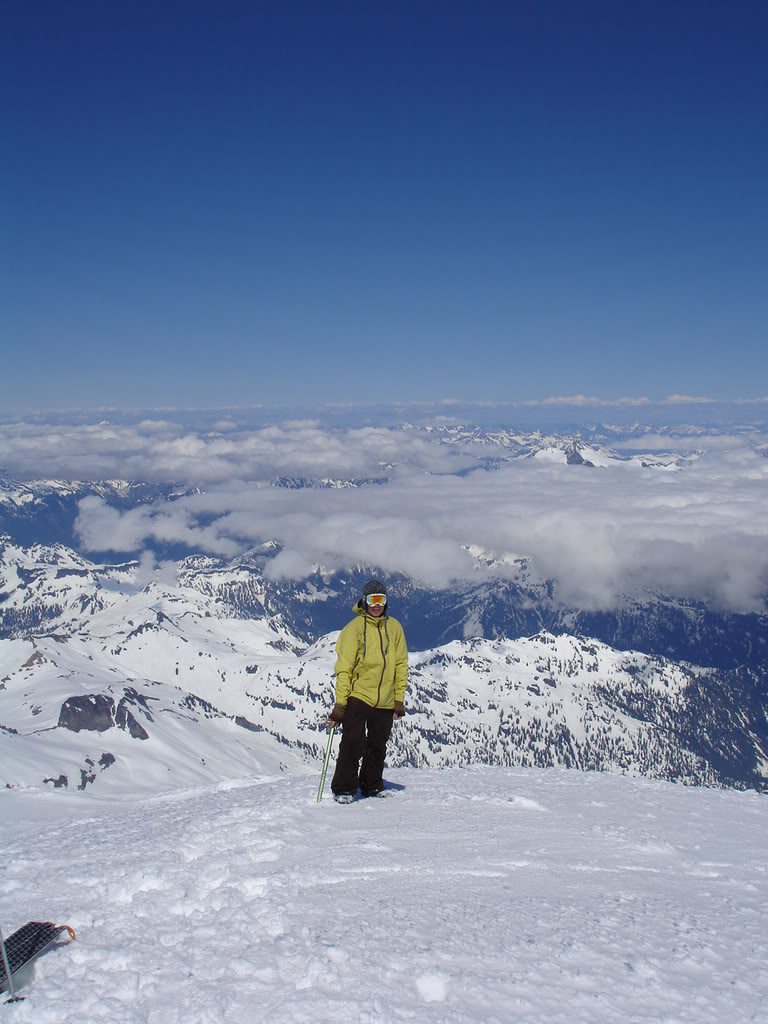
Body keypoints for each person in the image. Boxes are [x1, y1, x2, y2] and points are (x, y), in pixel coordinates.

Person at [326, 579, 408, 799]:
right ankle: (344, 788)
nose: (376, 605)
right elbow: (344, 669)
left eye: (381, 599)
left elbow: (401, 664)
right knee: (353, 741)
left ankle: (372, 785)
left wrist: (398, 699)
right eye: (372, 600)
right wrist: (340, 705)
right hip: (359, 695)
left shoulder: (395, 627)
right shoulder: (353, 630)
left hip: (386, 698)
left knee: (377, 745)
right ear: (364, 601)